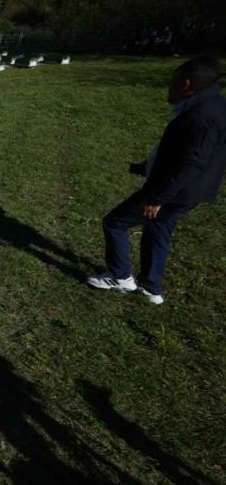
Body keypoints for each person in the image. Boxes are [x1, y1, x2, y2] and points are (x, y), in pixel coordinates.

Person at [88, 57, 226, 304]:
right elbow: (189, 151)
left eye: (172, 82)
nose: (168, 87)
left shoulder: (202, 116)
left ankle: (120, 277)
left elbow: (191, 163)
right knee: (158, 227)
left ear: (185, 84)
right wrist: (147, 167)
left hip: (175, 191)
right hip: (187, 191)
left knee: (115, 222)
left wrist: (156, 197)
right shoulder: (214, 106)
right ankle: (151, 287)